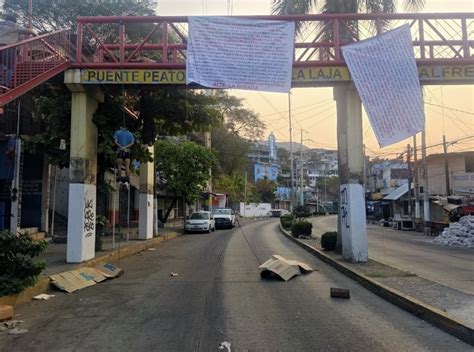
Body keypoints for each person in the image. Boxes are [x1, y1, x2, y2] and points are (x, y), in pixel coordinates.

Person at [0, 14, 35, 87]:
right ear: (14, 21)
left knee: (1, 63)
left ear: (6, 19)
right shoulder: (15, 26)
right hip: (8, 48)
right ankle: (4, 83)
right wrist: (34, 34)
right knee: (10, 67)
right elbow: (31, 31)